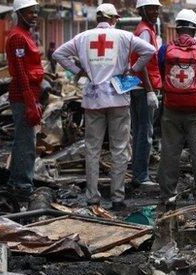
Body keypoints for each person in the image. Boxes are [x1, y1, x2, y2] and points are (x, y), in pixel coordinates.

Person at [53, 3, 155, 211]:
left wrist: (78, 70)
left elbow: (58, 54)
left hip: (93, 100)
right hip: (118, 99)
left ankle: (92, 197)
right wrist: (133, 69)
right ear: (113, 19)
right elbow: (150, 50)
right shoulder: (123, 36)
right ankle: (117, 198)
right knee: (119, 149)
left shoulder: (82, 37)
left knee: (92, 149)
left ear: (97, 18)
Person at [157, 9, 196, 206]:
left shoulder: (165, 49)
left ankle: (168, 195)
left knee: (170, 151)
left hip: (171, 108)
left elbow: (160, 68)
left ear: (177, 27)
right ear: (195, 29)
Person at [5, 0, 44, 198]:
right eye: (29, 13)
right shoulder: (18, 38)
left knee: (24, 139)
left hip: (28, 94)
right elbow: (21, 72)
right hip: (22, 95)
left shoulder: (25, 35)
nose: (34, 16)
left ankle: (18, 181)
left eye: (35, 12)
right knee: (26, 142)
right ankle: (22, 185)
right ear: (19, 14)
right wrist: (30, 101)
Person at [129, 0, 162, 189]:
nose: (155, 11)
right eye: (151, 8)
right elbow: (143, 62)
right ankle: (140, 176)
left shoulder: (146, 29)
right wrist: (150, 90)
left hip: (138, 86)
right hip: (142, 88)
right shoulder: (144, 31)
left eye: (156, 8)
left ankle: (138, 173)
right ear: (142, 10)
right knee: (145, 131)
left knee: (139, 130)